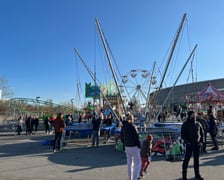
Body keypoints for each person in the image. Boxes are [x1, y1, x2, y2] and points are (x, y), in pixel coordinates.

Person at [181, 111, 204, 180]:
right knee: (186, 160)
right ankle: (184, 176)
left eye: (194, 114)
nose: (194, 115)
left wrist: (201, 142)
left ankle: (197, 175)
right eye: (192, 114)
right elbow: (183, 134)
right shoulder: (185, 124)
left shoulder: (198, 123)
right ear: (189, 115)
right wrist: (187, 142)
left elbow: (202, 133)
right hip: (189, 145)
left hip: (197, 144)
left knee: (196, 161)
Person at [120, 114, 141, 180]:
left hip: (127, 146)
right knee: (137, 163)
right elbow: (136, 137)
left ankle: (130, 178)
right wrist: (139, 145)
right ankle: (134, 178)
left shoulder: (123, 127)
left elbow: (121, 137)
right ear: (131, 119)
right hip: (134, 146)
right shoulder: (132, 127)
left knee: (129, 164)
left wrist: (124, 143)